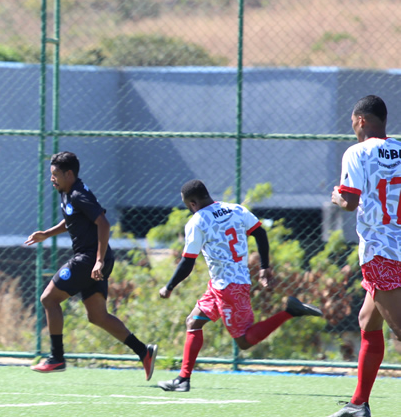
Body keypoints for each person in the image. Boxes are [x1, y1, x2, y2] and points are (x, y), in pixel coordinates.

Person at [157, 179, 323, 393]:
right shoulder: (235, 209)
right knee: (193, 322)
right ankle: (183, 379)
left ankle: (290, 311)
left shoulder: (197, 221)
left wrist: (169, 286)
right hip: (221, 284)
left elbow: (188, 261)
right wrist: (264, 267)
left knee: (244, 341)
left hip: (229, 288)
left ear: (192, 203)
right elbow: (260, 233)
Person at [25, 151, 158, 379]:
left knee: (48, 299)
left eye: (55, 174)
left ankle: (56, 358)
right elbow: (72, 219)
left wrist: (98, 260)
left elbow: (103, 223)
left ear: (69, 174)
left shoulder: (78, 194)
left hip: (89, 259)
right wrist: (47, 234)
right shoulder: (67, 192)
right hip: (95, 259)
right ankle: (143, 351)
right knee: (97, 316)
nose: (52, 178)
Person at [325, 94, 401, 417]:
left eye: (353, 125)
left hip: (382, 251)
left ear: (360, 121)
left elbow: (351, 201)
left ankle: (359, 405)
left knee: (399, 330)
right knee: (368, 320)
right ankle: (358, 404)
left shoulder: (357, 152)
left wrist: (337, 198)